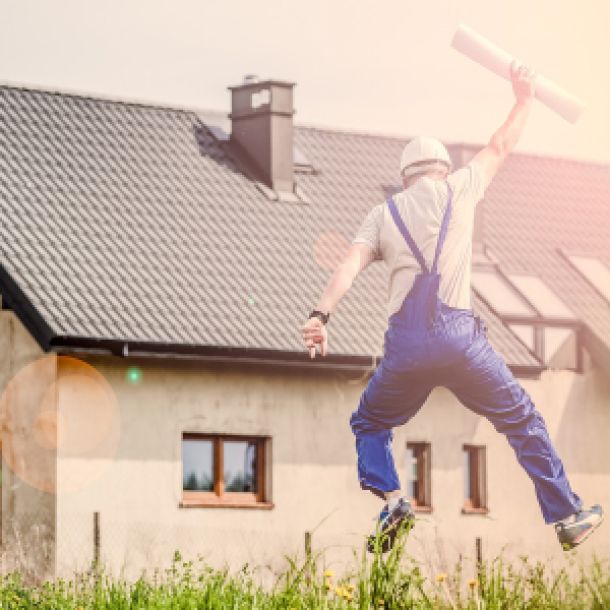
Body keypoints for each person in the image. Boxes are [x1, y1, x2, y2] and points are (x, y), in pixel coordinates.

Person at [300, 63, 603, 552]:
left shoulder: (383, 214)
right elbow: (501, 145)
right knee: (522, 420)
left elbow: (349, 265)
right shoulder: (460, 188)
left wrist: (320, 316)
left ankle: (394, 499)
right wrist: (523, 98)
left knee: (370, 423)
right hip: (461, 343)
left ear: (404, 178)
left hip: (407, 348)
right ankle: (567, 515)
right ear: (442, 168)